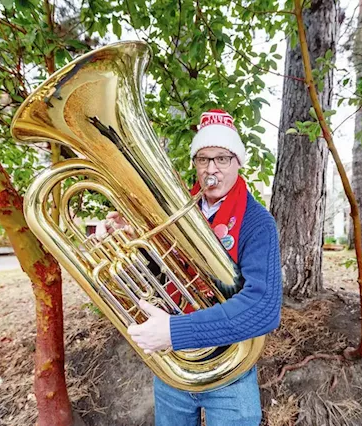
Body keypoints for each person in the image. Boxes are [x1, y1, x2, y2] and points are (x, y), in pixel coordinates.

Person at [100, 109, 282, 426]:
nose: (212, 169)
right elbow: (164, 275)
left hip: (230, 372)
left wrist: (173, 331)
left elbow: (263, 307)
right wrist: (132, 247)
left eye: (222, 159)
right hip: (175, 367)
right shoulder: (179, 215)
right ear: (195, 163)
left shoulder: (257, 222)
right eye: (203, 159)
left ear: (238, 162)